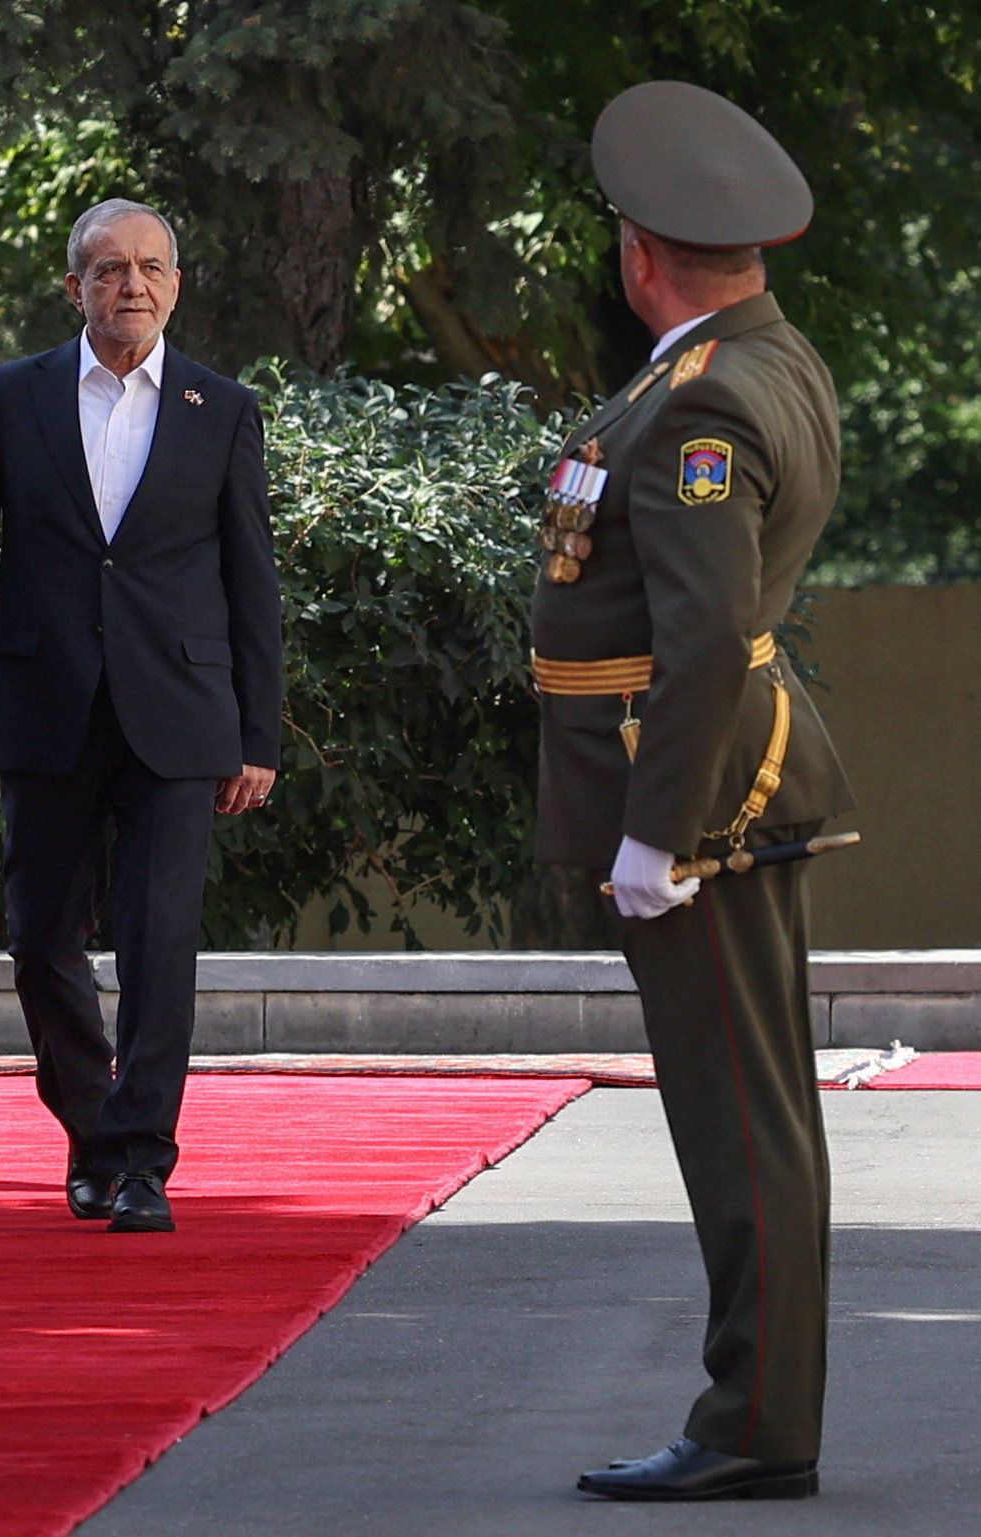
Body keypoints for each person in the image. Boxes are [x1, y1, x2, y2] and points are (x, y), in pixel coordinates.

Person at [530, 83, 855, 1501]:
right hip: (729, 786)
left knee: (739, 1119)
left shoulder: (705, 395)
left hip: (702, 807)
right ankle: (762, 1410)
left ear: (640, 253)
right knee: (757, 1112)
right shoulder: (767, 357)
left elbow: (707, 633)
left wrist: (656, 834)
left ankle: (752, 1425)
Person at [0, 199, 283, 1235]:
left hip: (180, 712)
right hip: (45, 705)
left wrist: (260, 735)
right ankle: (91, 1130)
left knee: (163, 944)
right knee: (39, 941)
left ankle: (143, 1160)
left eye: (152, 267)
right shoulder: (14, 397)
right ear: (74, 287)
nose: (133, 286)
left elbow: (254, 585)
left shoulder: (223, 407)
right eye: (109, 269)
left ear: (176, 283)